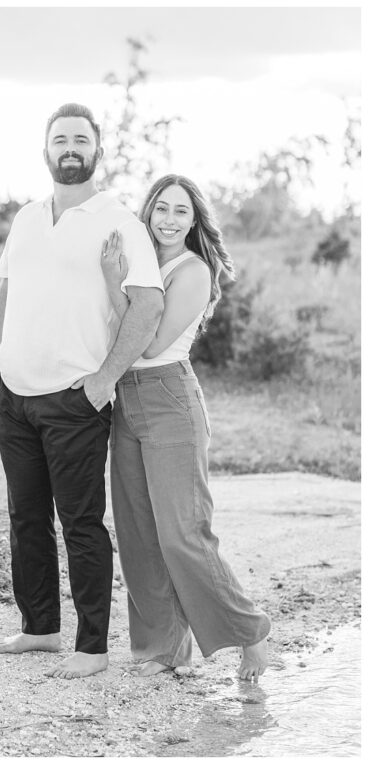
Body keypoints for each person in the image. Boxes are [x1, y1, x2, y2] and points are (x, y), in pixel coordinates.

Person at [0, 103, 164, 679]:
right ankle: (39, 629)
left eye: (81, 138)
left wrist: (104, 378)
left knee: (81, 523)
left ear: (97, 151)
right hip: (13, 393)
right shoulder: (28, 217)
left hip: (74, 398)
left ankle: (92, 648)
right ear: (46, 150)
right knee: (25, 516)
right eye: (61, 139)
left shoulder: (121, 222)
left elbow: (149, 305)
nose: (71, 147)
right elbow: (6, 289)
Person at [99, 174, 271, 681]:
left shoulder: (192, 271)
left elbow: (149, 345)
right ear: (147, 212)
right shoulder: (143, 263)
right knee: (137, 533)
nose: (169, 220)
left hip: (169, 398)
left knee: (182, 534)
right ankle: (163, 649)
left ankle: (250, 630)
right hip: (126, 399)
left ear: (194, 223)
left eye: (181, 212)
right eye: (161, 209)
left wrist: (114, 280)